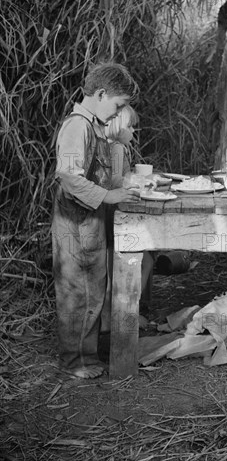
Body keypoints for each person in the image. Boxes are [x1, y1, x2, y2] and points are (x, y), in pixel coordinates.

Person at [51, 62, 140, 378]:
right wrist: (110, 197)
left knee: (92, 287)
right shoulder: (78, 126)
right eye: (118, 105)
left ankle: (87, 354)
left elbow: (103, 173)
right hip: (74, 225)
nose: (119, 114)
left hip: (90, 222)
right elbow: (68, 177)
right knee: (78, 292)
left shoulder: (96, 126)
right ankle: (76, 361)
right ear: (101, 94)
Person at [105, 105, 156, 294]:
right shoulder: (117, 147)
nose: (133, 130)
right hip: (117, 212)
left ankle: (126, 309)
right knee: (144, 260)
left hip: (112, 209)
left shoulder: (114, 146)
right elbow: (116, 180)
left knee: (117, 260)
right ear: (118, 127)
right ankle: (132, 309)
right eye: (130, 126)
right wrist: (139, 181)